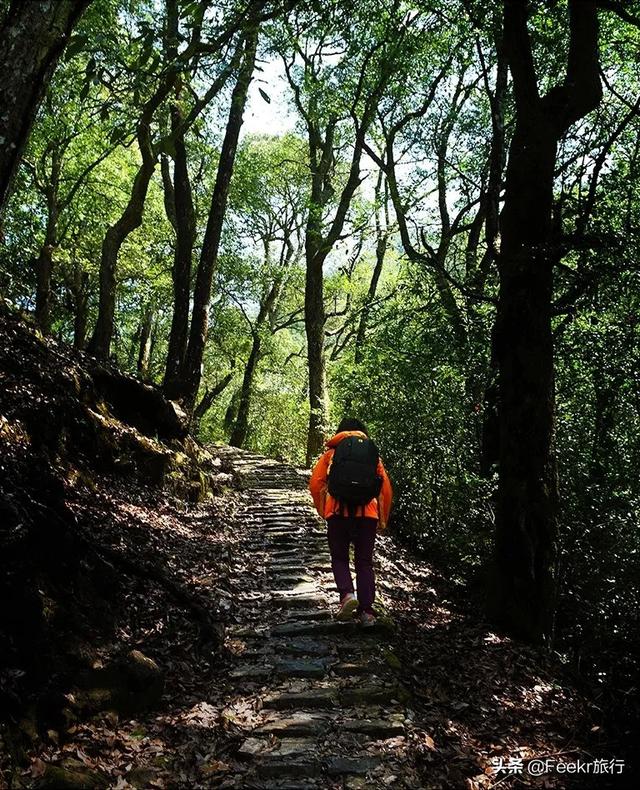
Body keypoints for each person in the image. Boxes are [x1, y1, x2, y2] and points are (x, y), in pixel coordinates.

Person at [309, 418, 393, 627]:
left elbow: (316, 483)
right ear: (362, 432)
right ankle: (367, 613)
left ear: (340, 432)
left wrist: (323, 509)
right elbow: (385, 489)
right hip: (368, 515)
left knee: (339, 558)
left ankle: (347, 595)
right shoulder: (373, 456)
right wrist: (382, 520)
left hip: (337, 514)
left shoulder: (331, 454)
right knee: (364, 562)